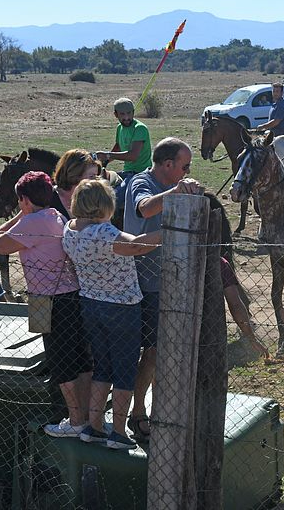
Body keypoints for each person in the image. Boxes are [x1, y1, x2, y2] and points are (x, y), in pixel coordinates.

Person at [124, 138, 267, 440]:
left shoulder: (170, 186)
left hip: (174, 280)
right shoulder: (142, 182)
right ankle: (137, 413)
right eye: (185, 166)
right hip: (148, 283)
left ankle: (166, 409)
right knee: (152, 352)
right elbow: (145, 209)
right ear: (167, 165)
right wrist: (176, 192)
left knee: (170, 351)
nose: (188, 171)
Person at [0, 172, 93, 442]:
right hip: (61, 296)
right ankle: (83, 416)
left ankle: (75, 420)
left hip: (48, 300)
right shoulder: (52, 215)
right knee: (77, 359)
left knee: (60, 361)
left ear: (24, 200)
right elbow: (9, 233)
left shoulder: (35, 222)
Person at [62, 179, 165, 450]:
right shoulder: (103, 233)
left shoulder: (69, 229)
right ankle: (118, 432)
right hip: (122, 307)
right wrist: (170, 232)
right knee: (124, 371)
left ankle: (94, 427)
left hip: (91, 304)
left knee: (103, 368)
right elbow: (138, 246)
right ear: (103, 205)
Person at [95, 97, 153, 205]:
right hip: (127, 172)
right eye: (122, 114)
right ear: (116, 114)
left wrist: (107, 155)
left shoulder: (140, 128)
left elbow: (132, 156)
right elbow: (118, 147)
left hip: (140, 174)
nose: (126, 117)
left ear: (133, 113)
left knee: (113, 199)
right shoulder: (119, 128)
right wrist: (102, 162)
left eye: (129, 113)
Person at [52, 149, 101, 219]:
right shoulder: (49, 198)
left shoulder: (93, 200)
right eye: (91, 176)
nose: (96, 181)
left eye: (96, 176)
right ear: (75, 175)